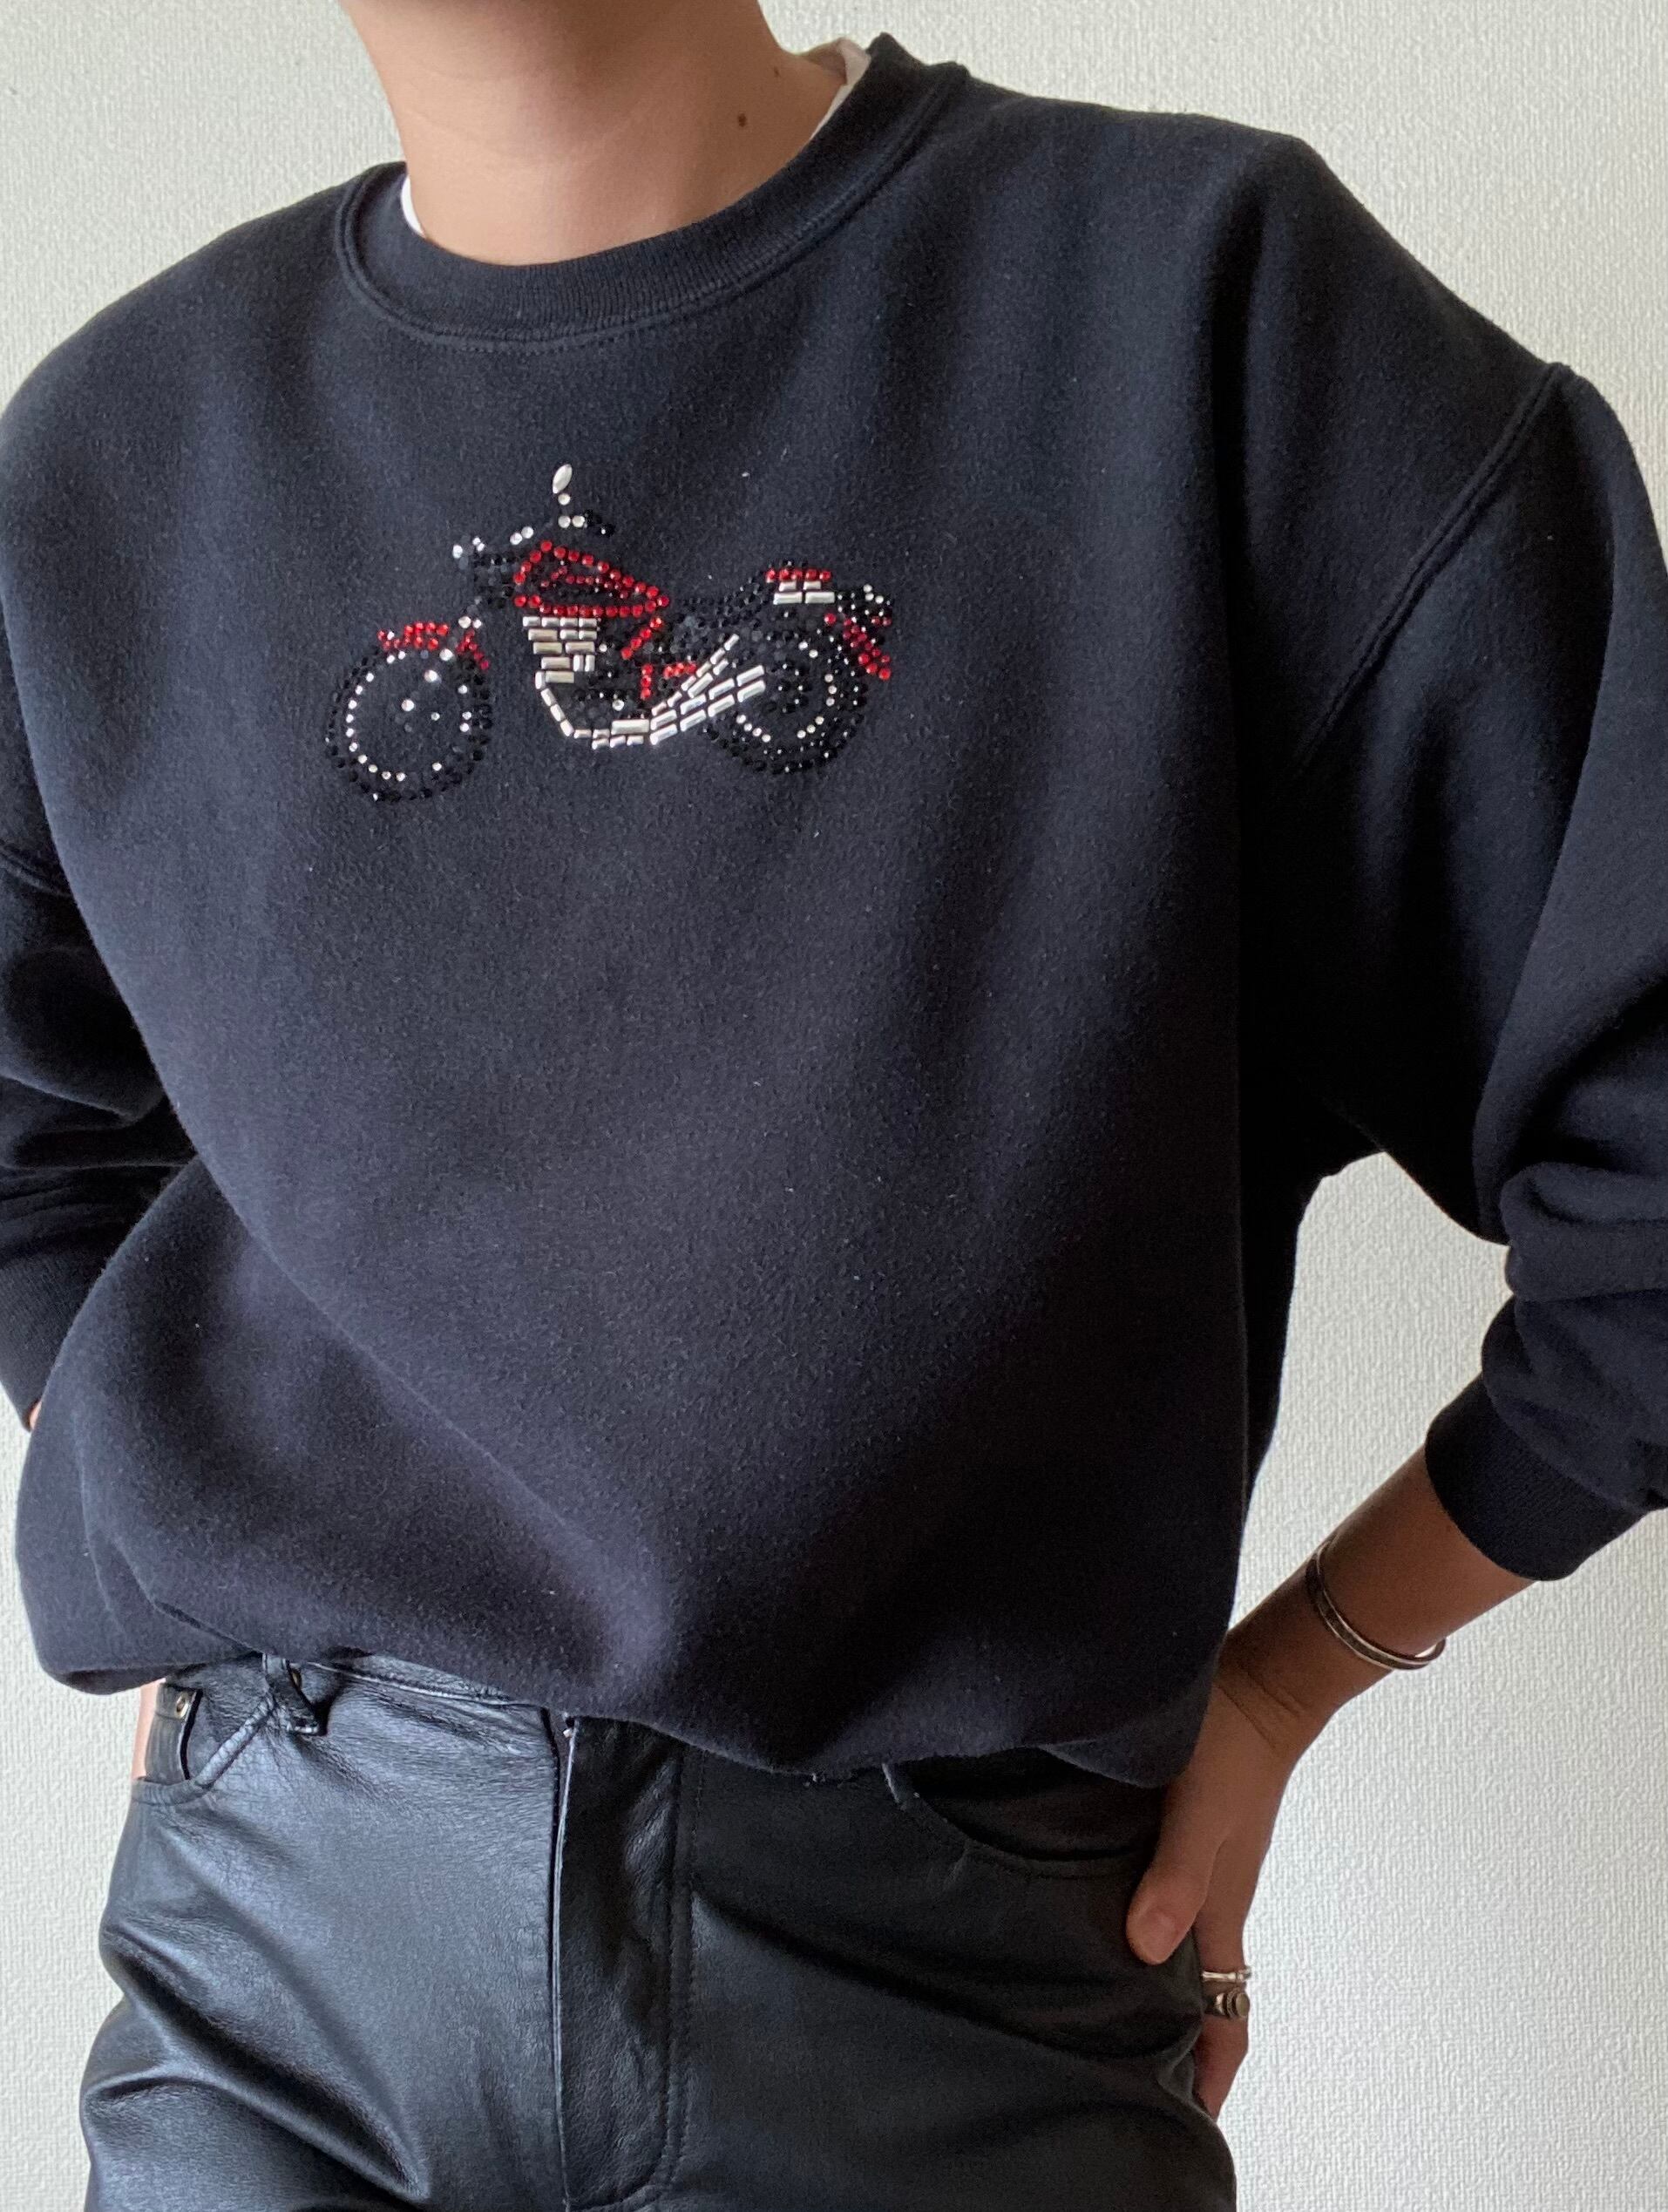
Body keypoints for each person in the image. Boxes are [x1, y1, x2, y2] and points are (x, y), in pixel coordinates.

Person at [3, 3, 1664, 2205]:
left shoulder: (1211, 320)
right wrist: (182, 1528)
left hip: (935, 1968)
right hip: (275, 1969)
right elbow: (31, 1130)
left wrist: (1299, 1673)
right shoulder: (112, 459)